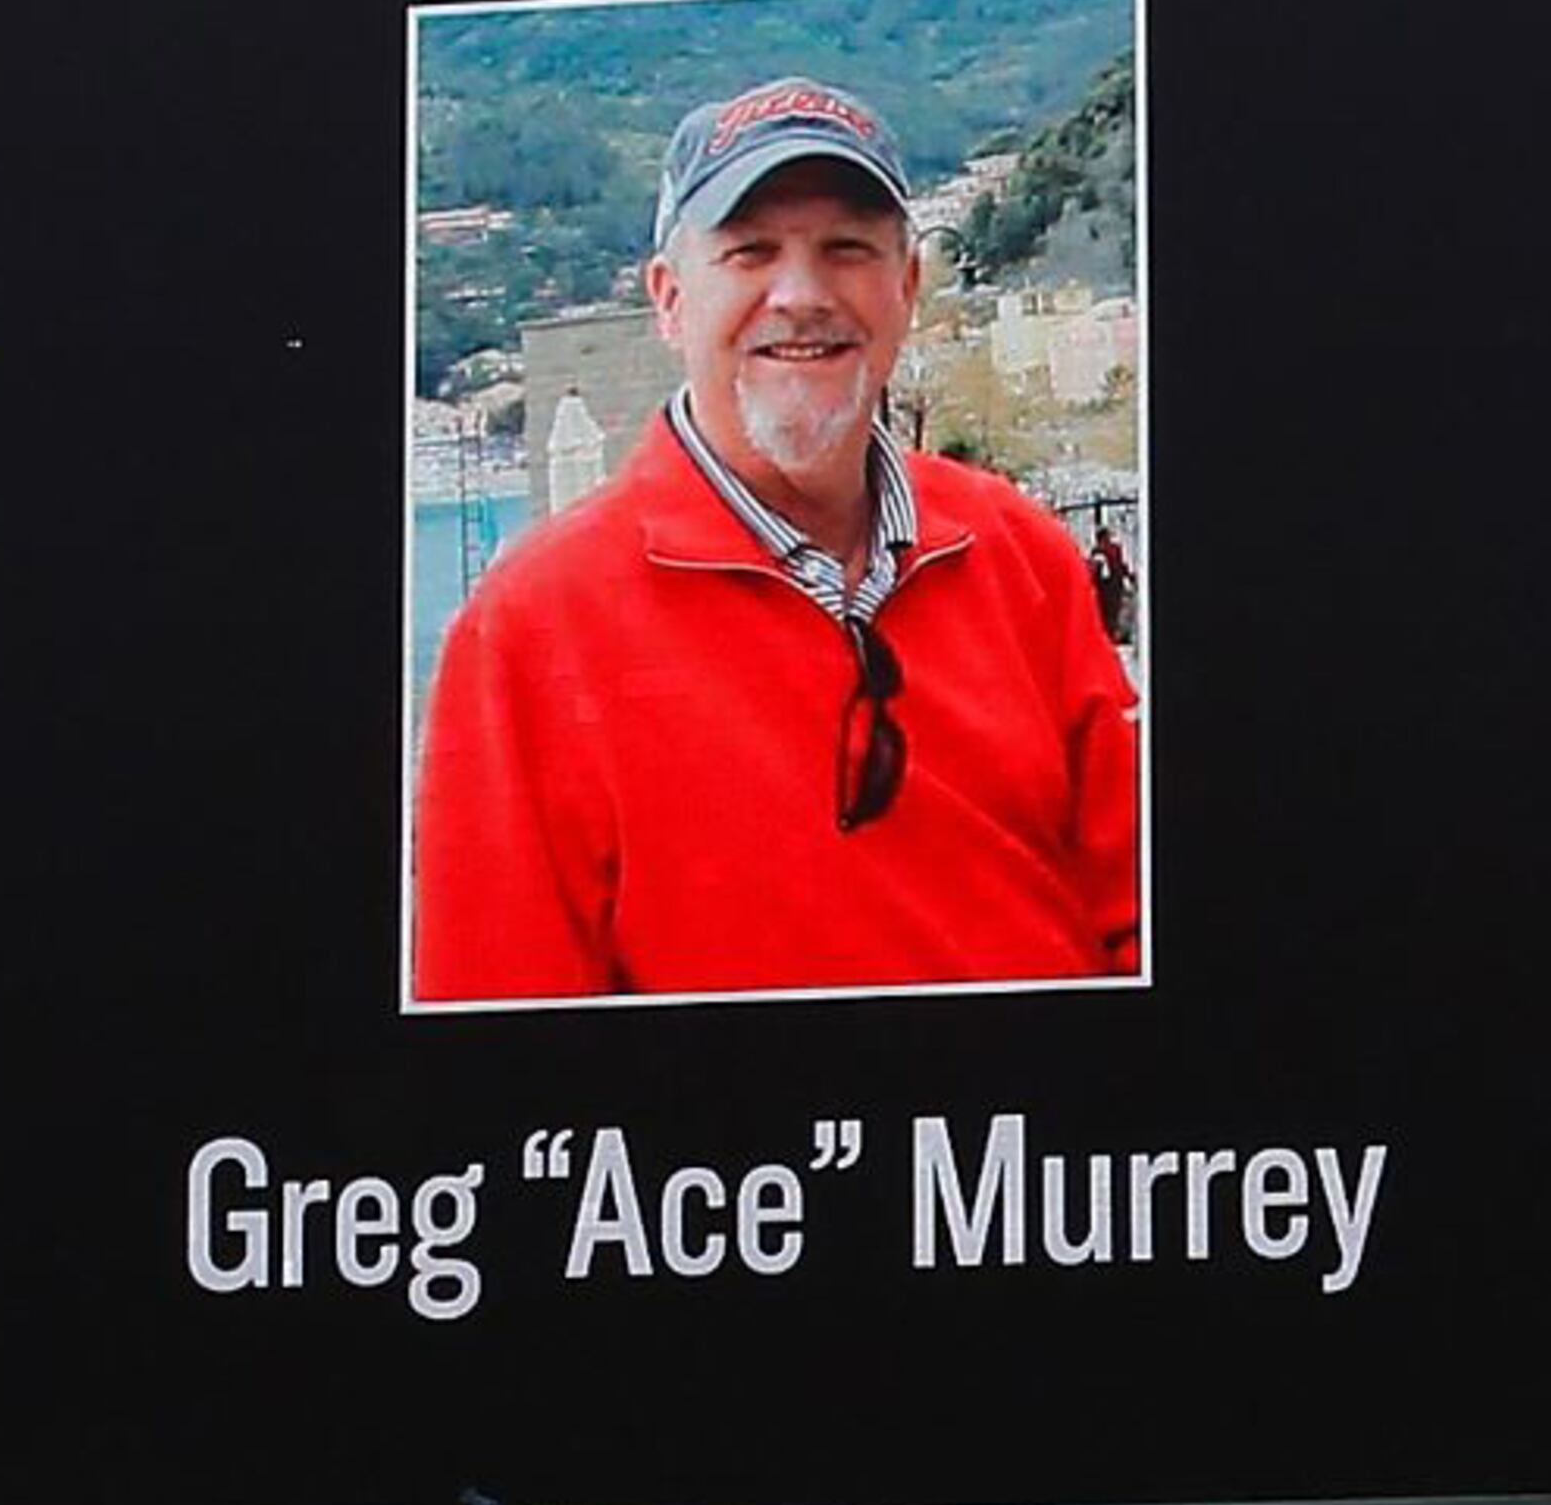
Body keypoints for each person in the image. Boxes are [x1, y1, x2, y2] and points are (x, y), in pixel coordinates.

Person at [412, 76, 1141, 1003]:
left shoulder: (1019, 554)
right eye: (751, 252)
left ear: (906, 288)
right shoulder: (525, 634)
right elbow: (497, 1021)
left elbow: (1139, 914)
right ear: (671, 301)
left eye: (847, 249)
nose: (801, 295)